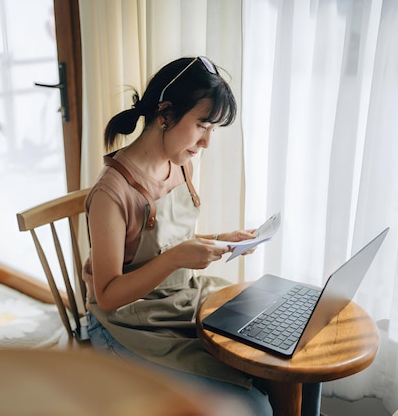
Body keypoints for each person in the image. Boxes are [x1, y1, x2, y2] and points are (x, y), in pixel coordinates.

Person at [83, 56, 320, 416]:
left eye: (214, 129)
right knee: (253, 407)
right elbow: (109, 295)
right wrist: (177, 258)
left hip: (184, 299)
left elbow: (164, 246)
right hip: (128, 327)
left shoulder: (180, 162)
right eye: (202, 125)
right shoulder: (111, 194)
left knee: (297, 357)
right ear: (165, 113)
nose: (207, 141)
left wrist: (220, 238)